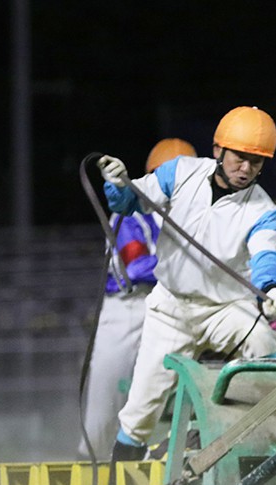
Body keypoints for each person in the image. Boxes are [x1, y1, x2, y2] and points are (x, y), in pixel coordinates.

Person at [97, 106, 276, 464]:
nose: (246, 169)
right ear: (218, 151)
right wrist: (117, 182)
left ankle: (237, 440)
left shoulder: (264, 210)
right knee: (139, 413)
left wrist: (271, 286)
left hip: (224, 309)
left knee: (264, 343)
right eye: (240, 157)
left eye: (257, 162)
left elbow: (265, 254)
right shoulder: (180, 172)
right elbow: (129, 202)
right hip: (171, 309)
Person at [78, 138, 198, 460]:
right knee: (106, 396)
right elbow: (137, 265)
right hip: (130, 307)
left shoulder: (199, 215)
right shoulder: (133, 212)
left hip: (178, 302)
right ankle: (92, 460)